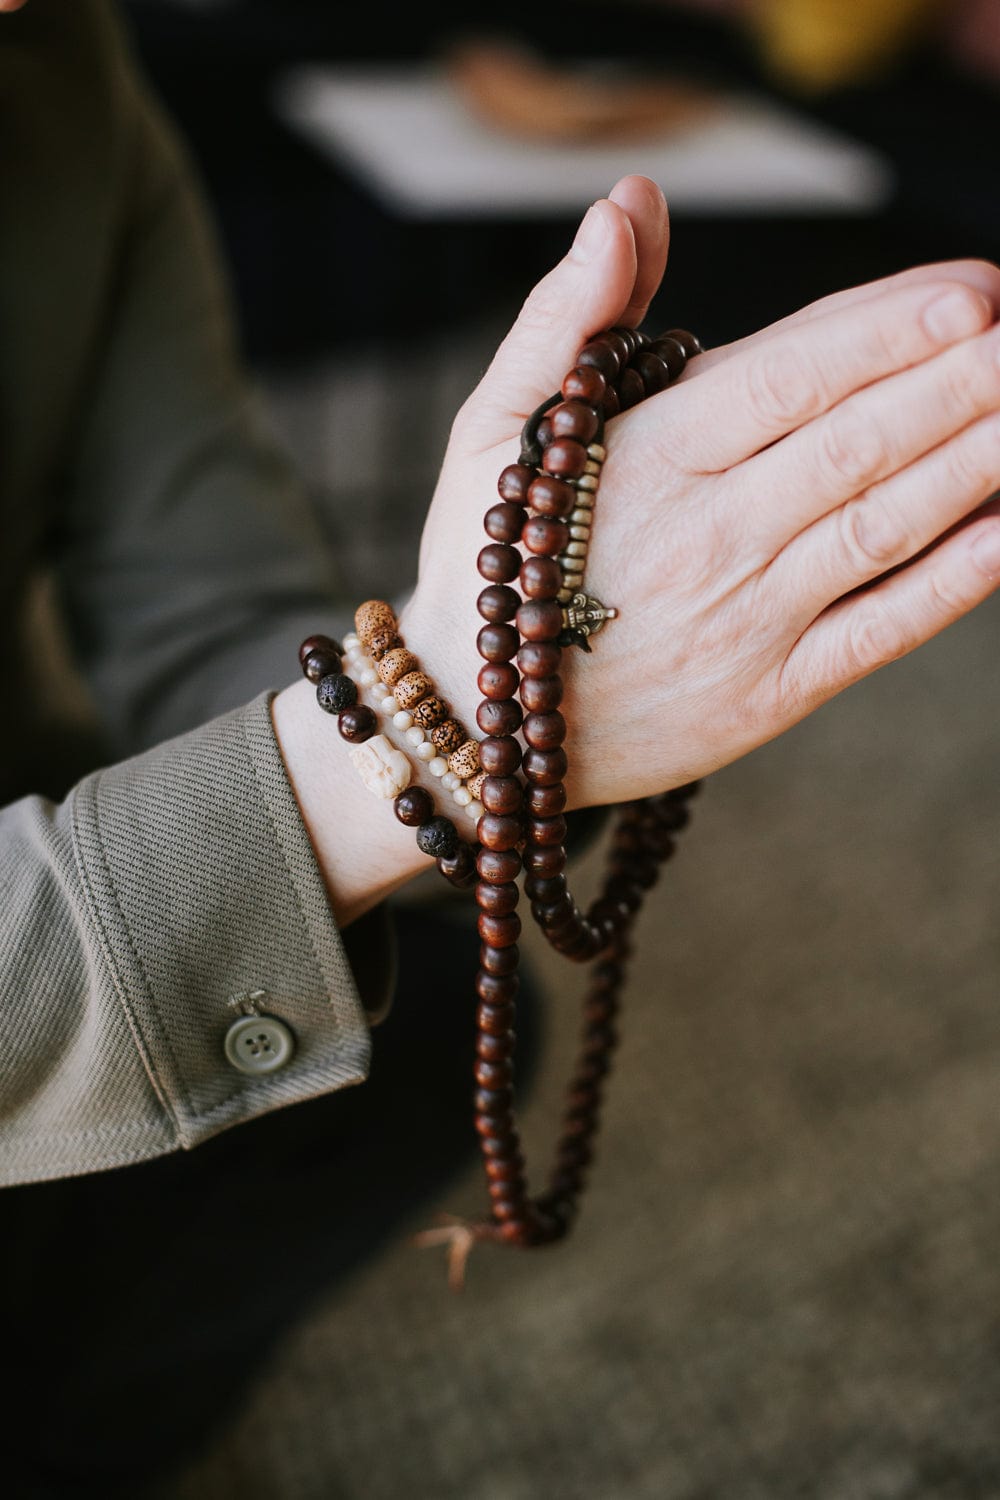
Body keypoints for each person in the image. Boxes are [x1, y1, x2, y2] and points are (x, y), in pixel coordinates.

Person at [2, 0, 1000, 1488]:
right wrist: (432, 734)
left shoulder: (60, 71)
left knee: (409, 1038)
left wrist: (526, 686)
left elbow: (205, 609)